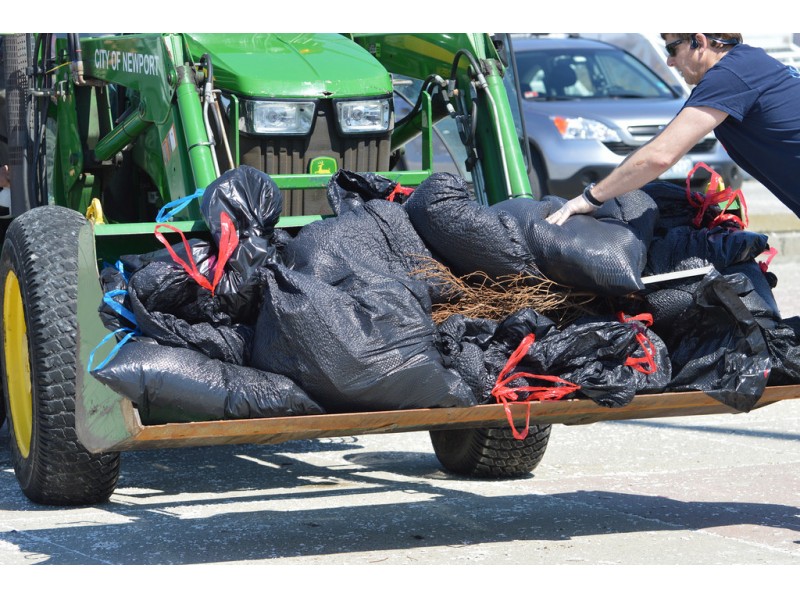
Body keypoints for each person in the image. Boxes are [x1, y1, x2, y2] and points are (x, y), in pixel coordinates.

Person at [546, 33, 800, 225]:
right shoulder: (751, 60)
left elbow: (660, 155)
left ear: (699, 42)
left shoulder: (729, 75)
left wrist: (590, 198)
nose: (669, 61)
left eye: (672, 48)